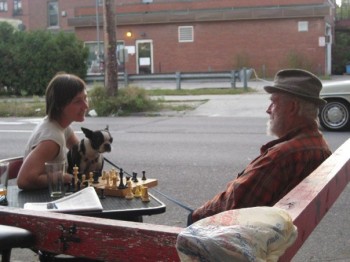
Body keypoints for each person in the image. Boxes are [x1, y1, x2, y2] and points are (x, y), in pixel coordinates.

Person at [188, 69, 332, 225]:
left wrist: (196, 215)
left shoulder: (282, 156)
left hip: (247, 237)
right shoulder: (319, 145)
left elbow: (235, 207)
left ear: (292, 107)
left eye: (274, 102)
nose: (268, 109)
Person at [17, 73, 89, 190]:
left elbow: (81, 152)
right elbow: (24, 180)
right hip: (44, 203)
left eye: (85, 98)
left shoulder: (61, 125)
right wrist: (64, 177)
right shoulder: (52, 140)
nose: (85, 106)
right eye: (77, 101)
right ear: (60, 105)